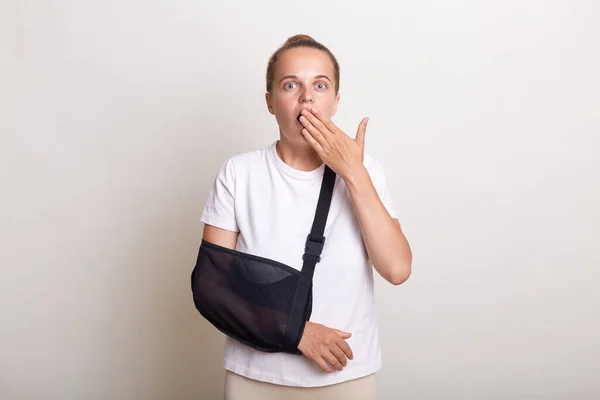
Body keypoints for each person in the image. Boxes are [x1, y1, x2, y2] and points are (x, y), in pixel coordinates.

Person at [200, 34, 412, 400]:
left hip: (346, 375)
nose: (307, 97)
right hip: (255, 376)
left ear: (335, 101)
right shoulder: (239, 173)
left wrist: (353, 174)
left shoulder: (366, 172)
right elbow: (212, 288)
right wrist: (298, 332)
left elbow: (397, 269)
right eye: (290, 84)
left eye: (320, 84)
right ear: (270, 102)